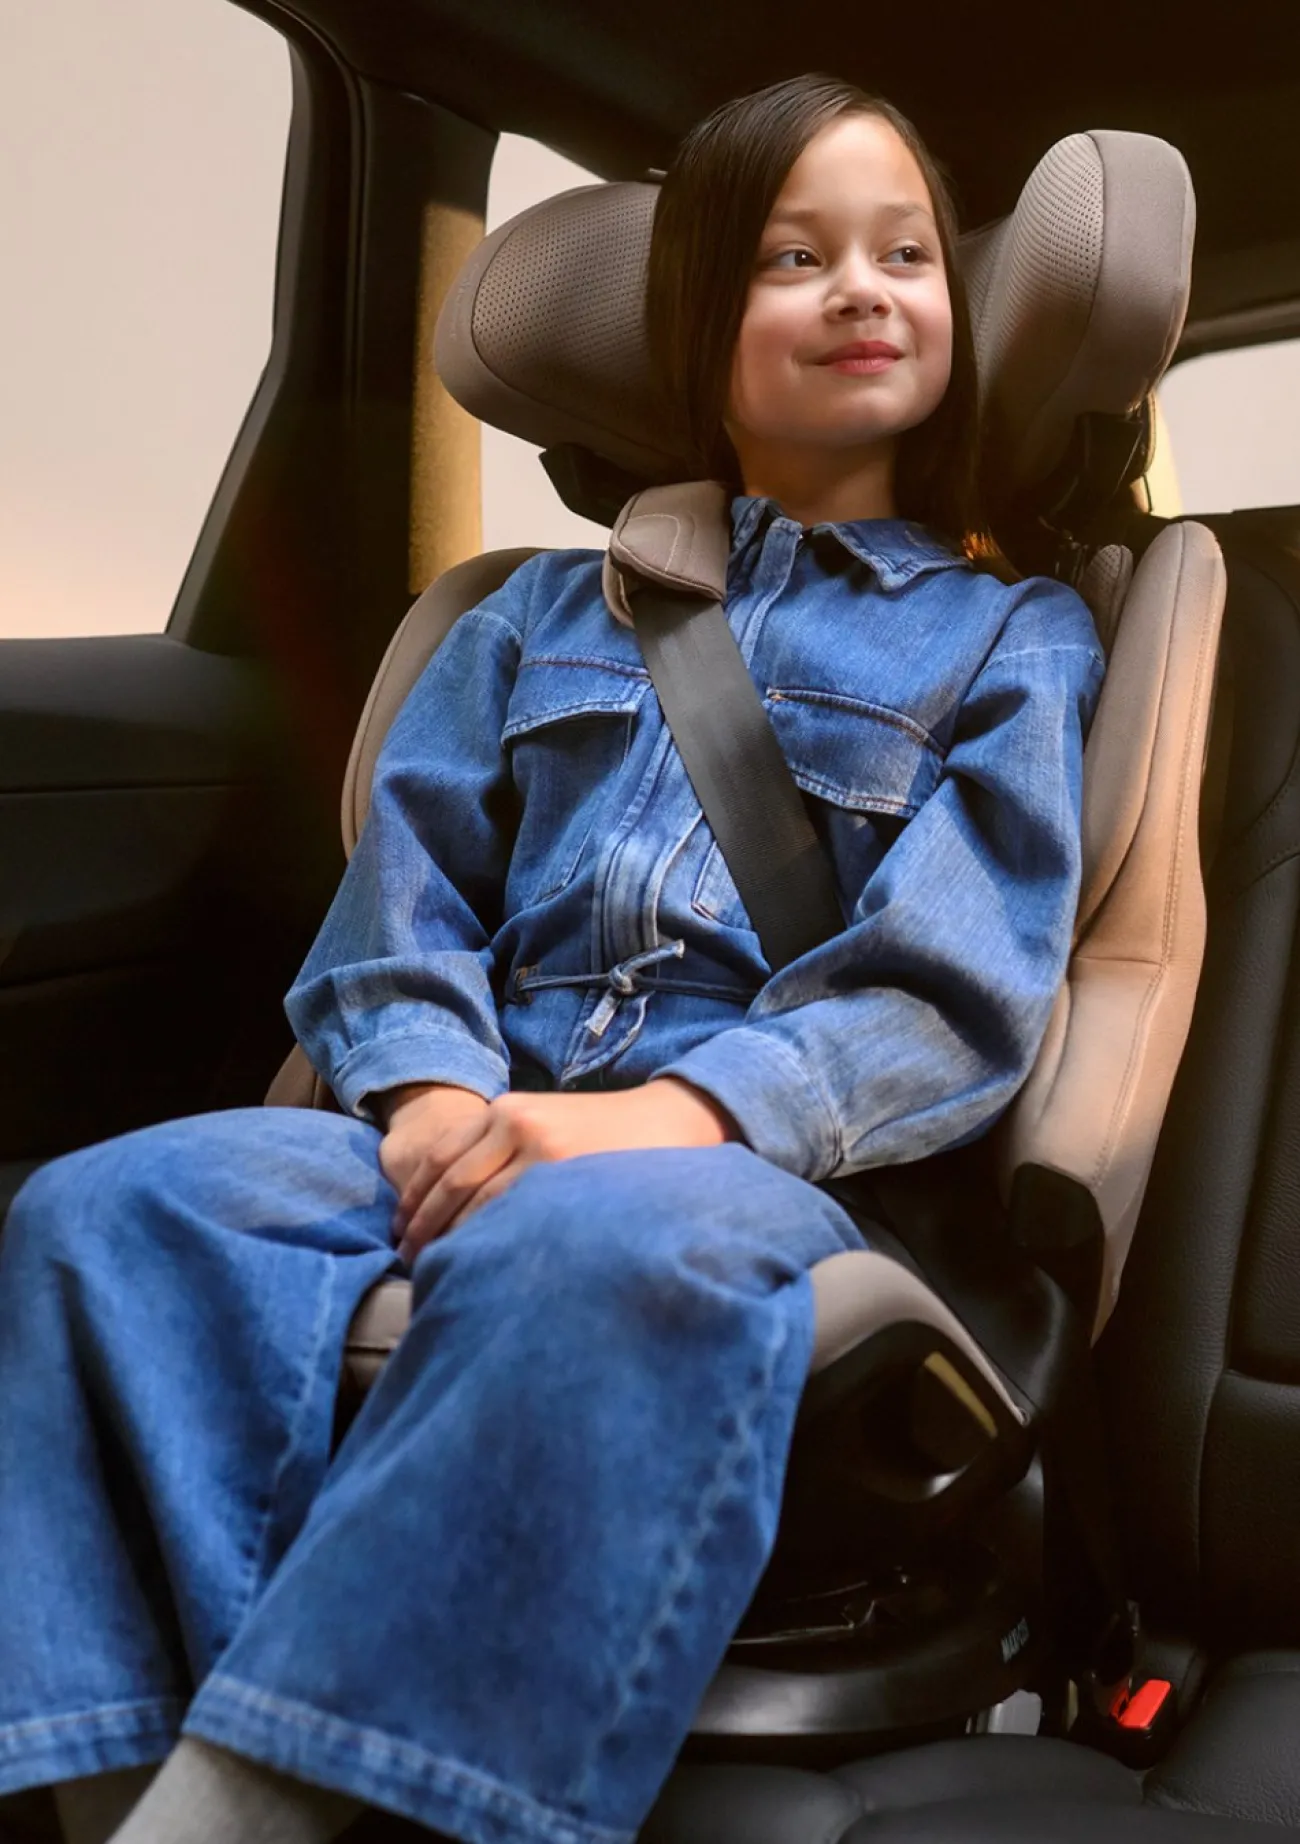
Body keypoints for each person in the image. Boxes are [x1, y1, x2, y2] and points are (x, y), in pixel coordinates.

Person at [0, 71, 1105, 1844]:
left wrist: (667, 1118)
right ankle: (127, 1786)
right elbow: (404, 902)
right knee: (102, 1211)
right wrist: (436, 1095)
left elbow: (949, 988)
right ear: (698, 328)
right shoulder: (531, 617)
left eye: (907, 254)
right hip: (476, 1107)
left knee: (591, 1240)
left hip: (757, 1166)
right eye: (795, 258)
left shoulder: (1010, 638)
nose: (863, 289)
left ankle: (249, 1810)